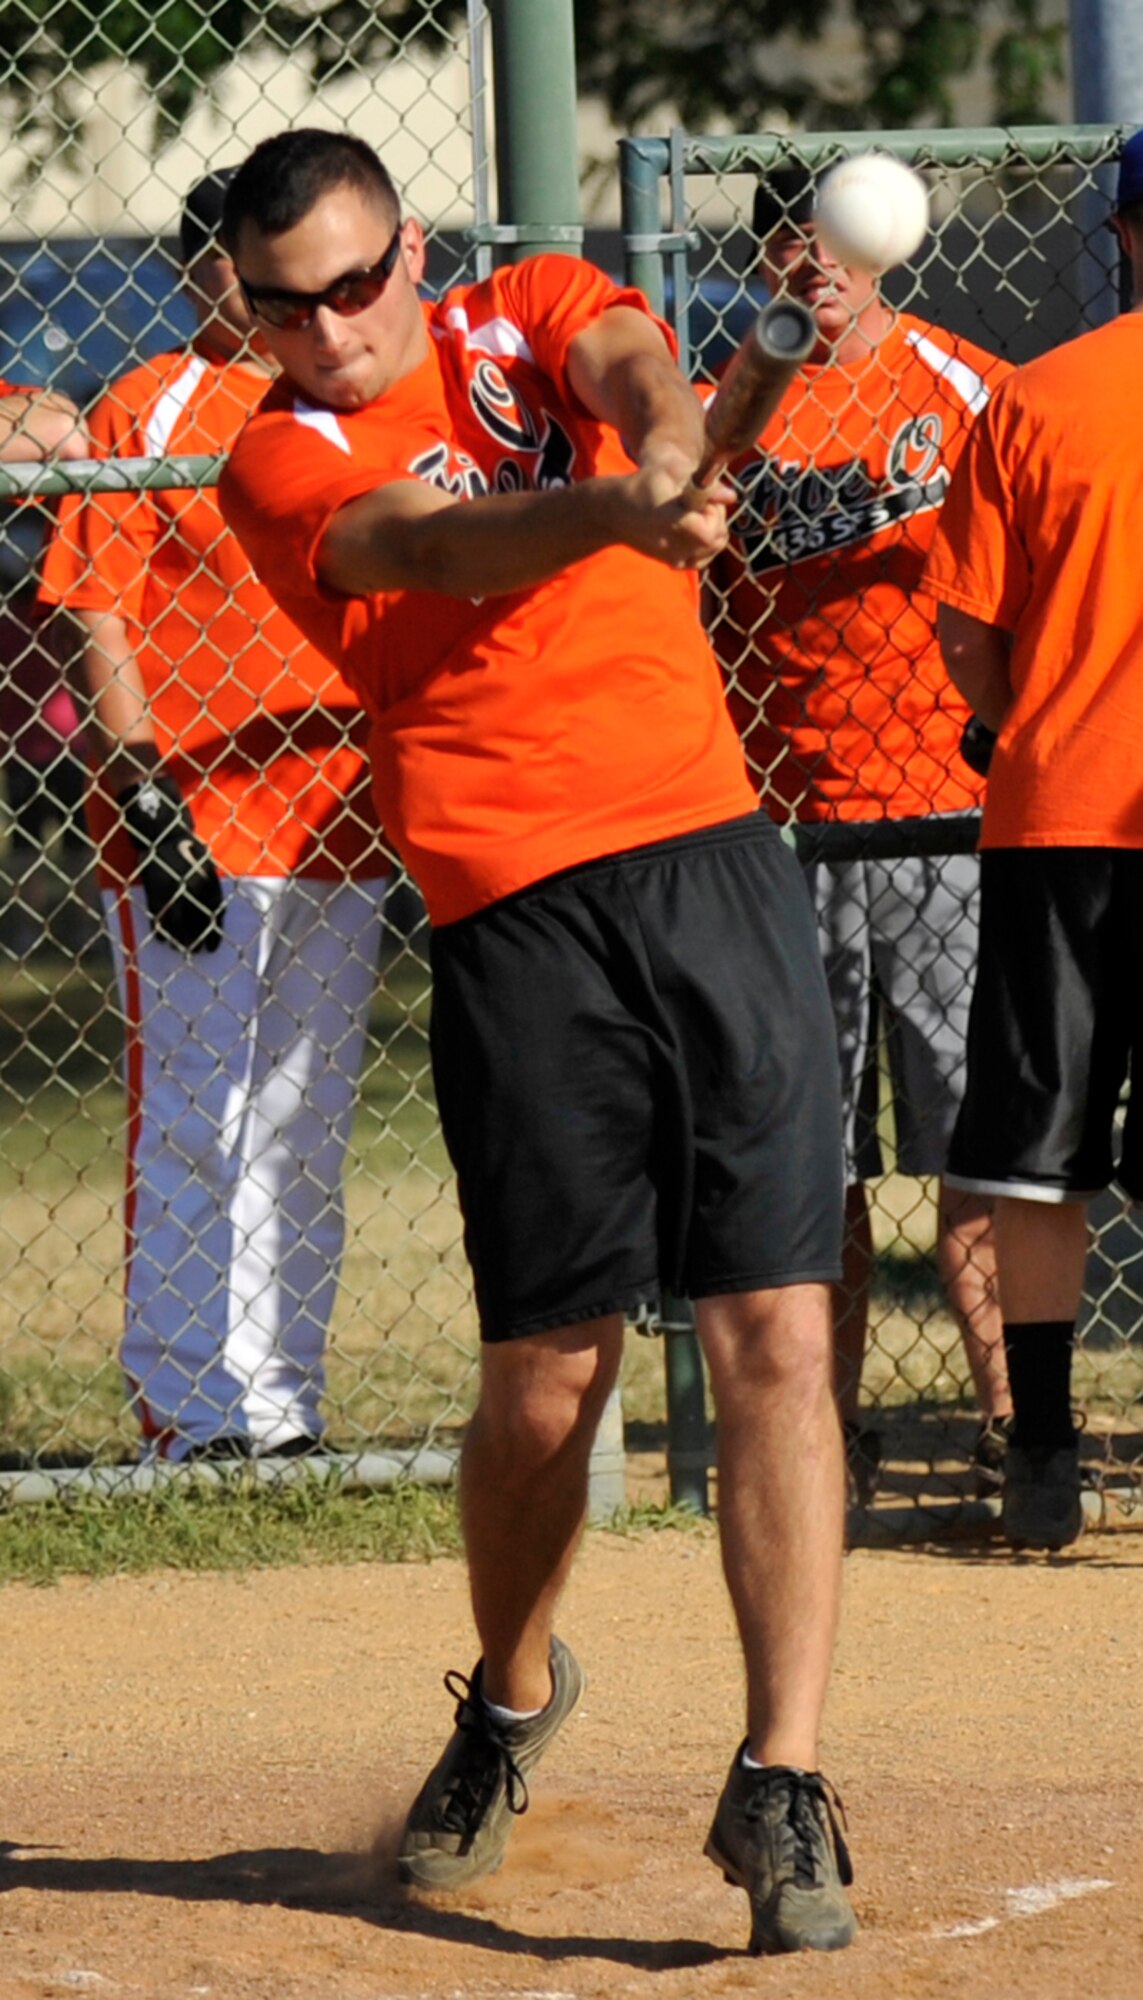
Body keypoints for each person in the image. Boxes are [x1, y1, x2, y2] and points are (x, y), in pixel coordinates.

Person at [218, 128, 857, 1955]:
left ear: (406, 250)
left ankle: (784, 1774)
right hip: (513, 913)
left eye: (357, 284)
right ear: (250, 313)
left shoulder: (521, 312)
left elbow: (627, 359)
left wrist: (663, 440)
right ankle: (510, 1696)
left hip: (710, 862)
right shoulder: (281, 456)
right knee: (550, 1385)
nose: (335, 331)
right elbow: (434, 540)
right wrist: (614, 512)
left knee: (778, 1332)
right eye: (289, 308)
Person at [38, 170, 390, 1462]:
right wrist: (145, 795)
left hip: (337, 821)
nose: (247, 288)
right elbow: (97, 606)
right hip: (194, 820)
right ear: (199, 273)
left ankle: (284, 1403)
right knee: (200, 1111)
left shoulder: (347, 401)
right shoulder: (155, 400)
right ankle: (190, 1411)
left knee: (306, 1119)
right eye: (226, 264)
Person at [711, 164, 1013, 1507]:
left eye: (830, 236)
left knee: (974, 1144)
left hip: (947, 809)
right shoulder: (731, 399)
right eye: (788, 237)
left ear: (881, 248)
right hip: (785, 824)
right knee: (811, 1155)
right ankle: (820, 1438)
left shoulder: (968, 387)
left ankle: (1014, 1416)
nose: (812, 260)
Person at [923, 129, 1143, 1552]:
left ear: (1121, 238)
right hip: (1075, 814)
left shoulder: (1039, 399)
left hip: (1063, 819)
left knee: (1040, 1155)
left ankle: (1047, 1452)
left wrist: (1026, 718)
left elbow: (966, 632)